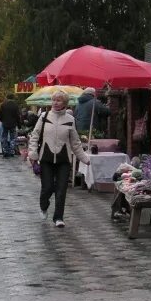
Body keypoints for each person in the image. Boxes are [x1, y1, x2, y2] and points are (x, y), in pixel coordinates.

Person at [28, 89, 91, 228]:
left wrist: (84, 158)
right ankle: (44, 206)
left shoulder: (70, 119)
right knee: (47, 187)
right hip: (46, 158)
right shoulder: (44, 117)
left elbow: (75, 142)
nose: (55, 103)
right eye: (54, 100)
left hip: (63, 160)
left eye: (59, 100)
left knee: (61, 189)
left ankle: (58, 217)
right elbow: (35, 136)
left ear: (65, 103)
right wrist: (33, 154)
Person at [0, 93, 21, 158]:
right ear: (13, 98)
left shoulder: (3, 105)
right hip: (13, 124)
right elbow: (18, 116)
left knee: (4, 137)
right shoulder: (15, 105)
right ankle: (12, 151)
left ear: (6, 97)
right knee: (12, 138)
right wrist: (19, 125)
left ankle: (5, 151)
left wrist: (2, 120)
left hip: (5, 124)